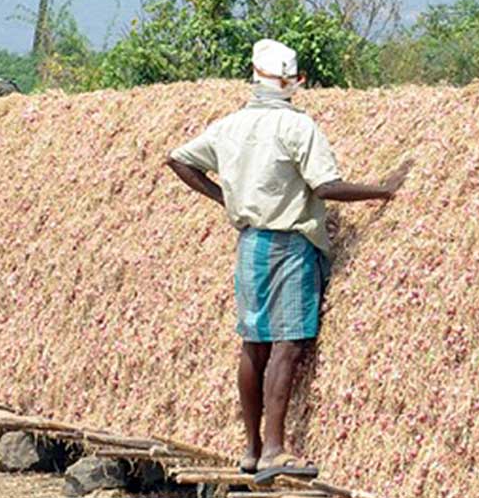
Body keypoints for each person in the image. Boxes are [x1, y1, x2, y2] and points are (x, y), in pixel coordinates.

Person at [166, 39, 411, 481]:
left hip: (250, 243)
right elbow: (326, 188)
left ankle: (251, 449)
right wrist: (384, 189)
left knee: (253, 343)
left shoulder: (230, 126)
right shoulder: (298, 128)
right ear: (292, 83)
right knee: (289, 341)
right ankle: (276, 449)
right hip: (288, 244)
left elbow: (179, 160)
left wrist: (227, 199)